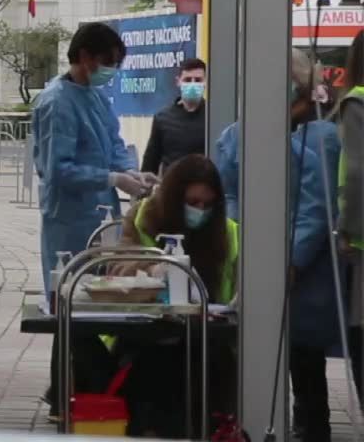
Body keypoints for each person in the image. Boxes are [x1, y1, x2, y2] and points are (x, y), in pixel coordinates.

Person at [214, 47, 341, 442]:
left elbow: (316, 209)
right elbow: (226, 191)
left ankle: (311, 428)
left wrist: (291, 260)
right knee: (247, 350)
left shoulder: (322, 136)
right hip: (247, 258)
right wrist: (237, 239)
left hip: (303, 269)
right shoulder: (237, 133)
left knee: (304, 358)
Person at [32, 22, 152, 417]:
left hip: (100, 216)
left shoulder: (96, 97)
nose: (111, 71)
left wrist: (132, 174)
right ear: (84, 57)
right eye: (108, 62)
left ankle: (68, 391)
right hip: (69, 219)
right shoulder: (57, 103)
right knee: (70, 305)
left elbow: (113, 144)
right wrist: (111, 179)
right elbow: (58, 170)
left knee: (94, 306)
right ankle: (68, 393)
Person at [111, 155, 239, 438]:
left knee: (209, 368)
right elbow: (118, 266)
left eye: (207, 205)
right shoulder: (144, 218)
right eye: (193, 202)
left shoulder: (227, 232)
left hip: (208, 338)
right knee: (158, 369)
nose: (200, 211)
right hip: (148, 336)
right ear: (174, 197)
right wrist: (152, 271)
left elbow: (240, 282)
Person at [336, 30, 364, 403]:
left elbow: (357, 172)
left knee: (360, 332)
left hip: (363, 238)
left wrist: (346, 228)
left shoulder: (357, 102)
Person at [141, 58, 208, 175]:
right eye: (187, 80)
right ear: (178, 82)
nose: (192, 84)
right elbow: (150, 163)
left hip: (204, 183)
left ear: (205, 82)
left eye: (198, 80)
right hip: (172, 184)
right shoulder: (162, 118)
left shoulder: (212, 117)